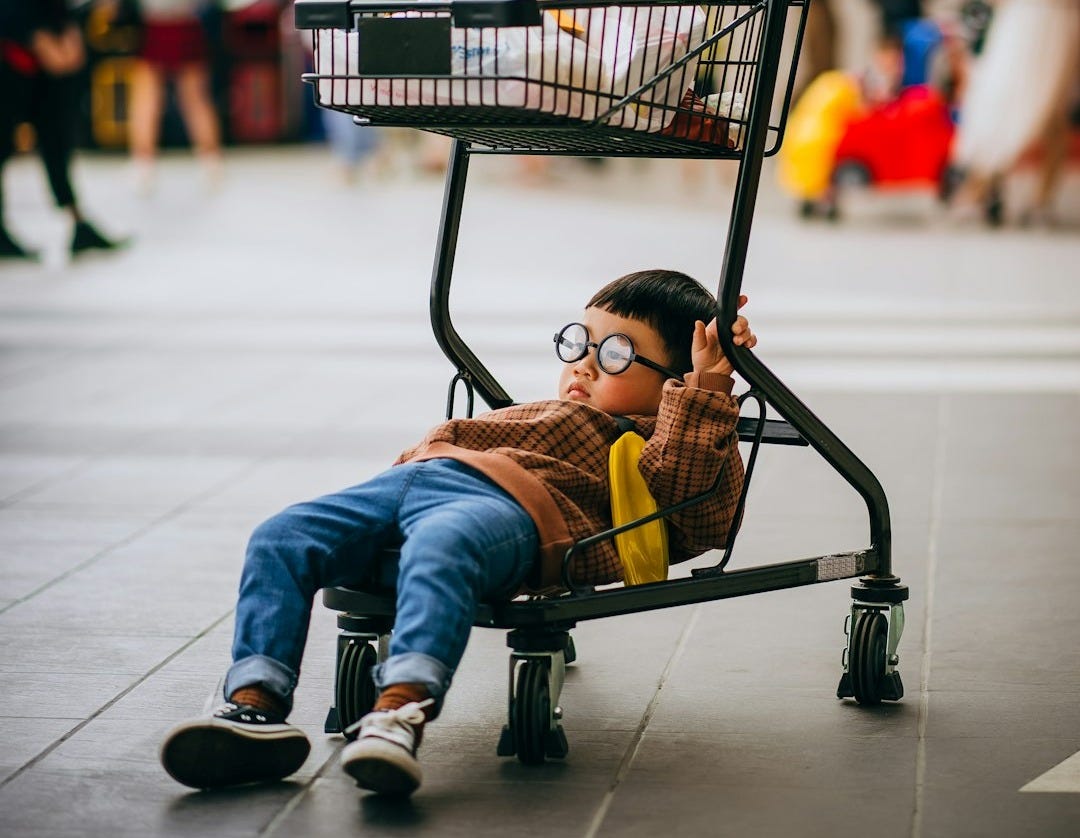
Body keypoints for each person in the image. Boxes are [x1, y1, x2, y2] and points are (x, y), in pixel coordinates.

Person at [158, 269, 755, 796]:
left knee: (442, 547)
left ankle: (399, 711)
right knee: (281, 535)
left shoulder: (658, 438)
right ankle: (253, 706)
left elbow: (691, 508)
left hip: (517, 502)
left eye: (617, 353)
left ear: (671, 382)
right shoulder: (541, 412)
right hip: (422, 474)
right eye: (581, 342)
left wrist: (706, 388)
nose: (584, 363)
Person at [0, 0, 125, 260]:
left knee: (56, 141)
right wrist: (37, 37)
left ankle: (78, 223)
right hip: (14, 55)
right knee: (5, 144)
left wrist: (68, 29)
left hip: (44, 55)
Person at [949, 0, 1080, 225]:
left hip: (1055, 19)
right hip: (1027, 20)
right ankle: (982, 186)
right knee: (1006, 104)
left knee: (1053, 109)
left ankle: (1041, 199)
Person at [122, 0, 223, 194]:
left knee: (150, 99)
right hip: (181, 22)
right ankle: (211, 162)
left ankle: (144, 165)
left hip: (161, 23)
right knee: (193, 99)